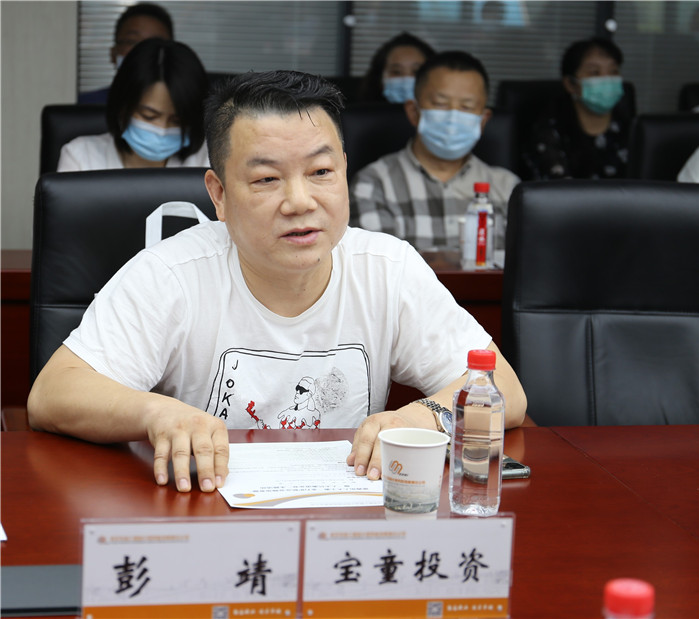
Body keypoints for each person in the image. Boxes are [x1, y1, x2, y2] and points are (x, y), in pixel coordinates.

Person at [27, 70, 527, 494]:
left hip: (343, 520)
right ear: (219, 195)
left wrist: (422, 417)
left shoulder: (387, 268)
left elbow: (503, 390)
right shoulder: (172, 273)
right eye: (267, 179)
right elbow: (53, 393)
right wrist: (157, 414)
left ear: (345, 173)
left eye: (321, 171)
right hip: (201, 514)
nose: (300, 201)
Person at [350, 51, 520, 252]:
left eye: (467, 107)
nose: (453, 117)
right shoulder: (374, 185)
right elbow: (378, 265)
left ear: (483, 121)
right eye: (440, 104)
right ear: (414, 112)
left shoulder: (509, 190)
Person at [58, 38, 209, 171]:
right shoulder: (81, 157)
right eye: (149, 116)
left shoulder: (208, 160)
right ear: (122, 107)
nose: (161, 130)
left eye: (176, 121)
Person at [524, 37, 631, 180]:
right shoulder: (550, 130)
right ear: (570, 84)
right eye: (594, 72)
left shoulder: (631, 129)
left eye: (613, 71)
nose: (606, 79)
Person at [78, 2, 174, 104]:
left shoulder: (184, 107)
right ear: (113, 53)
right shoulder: (84, 106)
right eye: (132, 41)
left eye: (155, 43)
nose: (143, 51)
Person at [358, 32, 435, 103]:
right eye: (396, 72)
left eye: (416, 72)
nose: (406, 81)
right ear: (379, 77)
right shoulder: (358, 113)